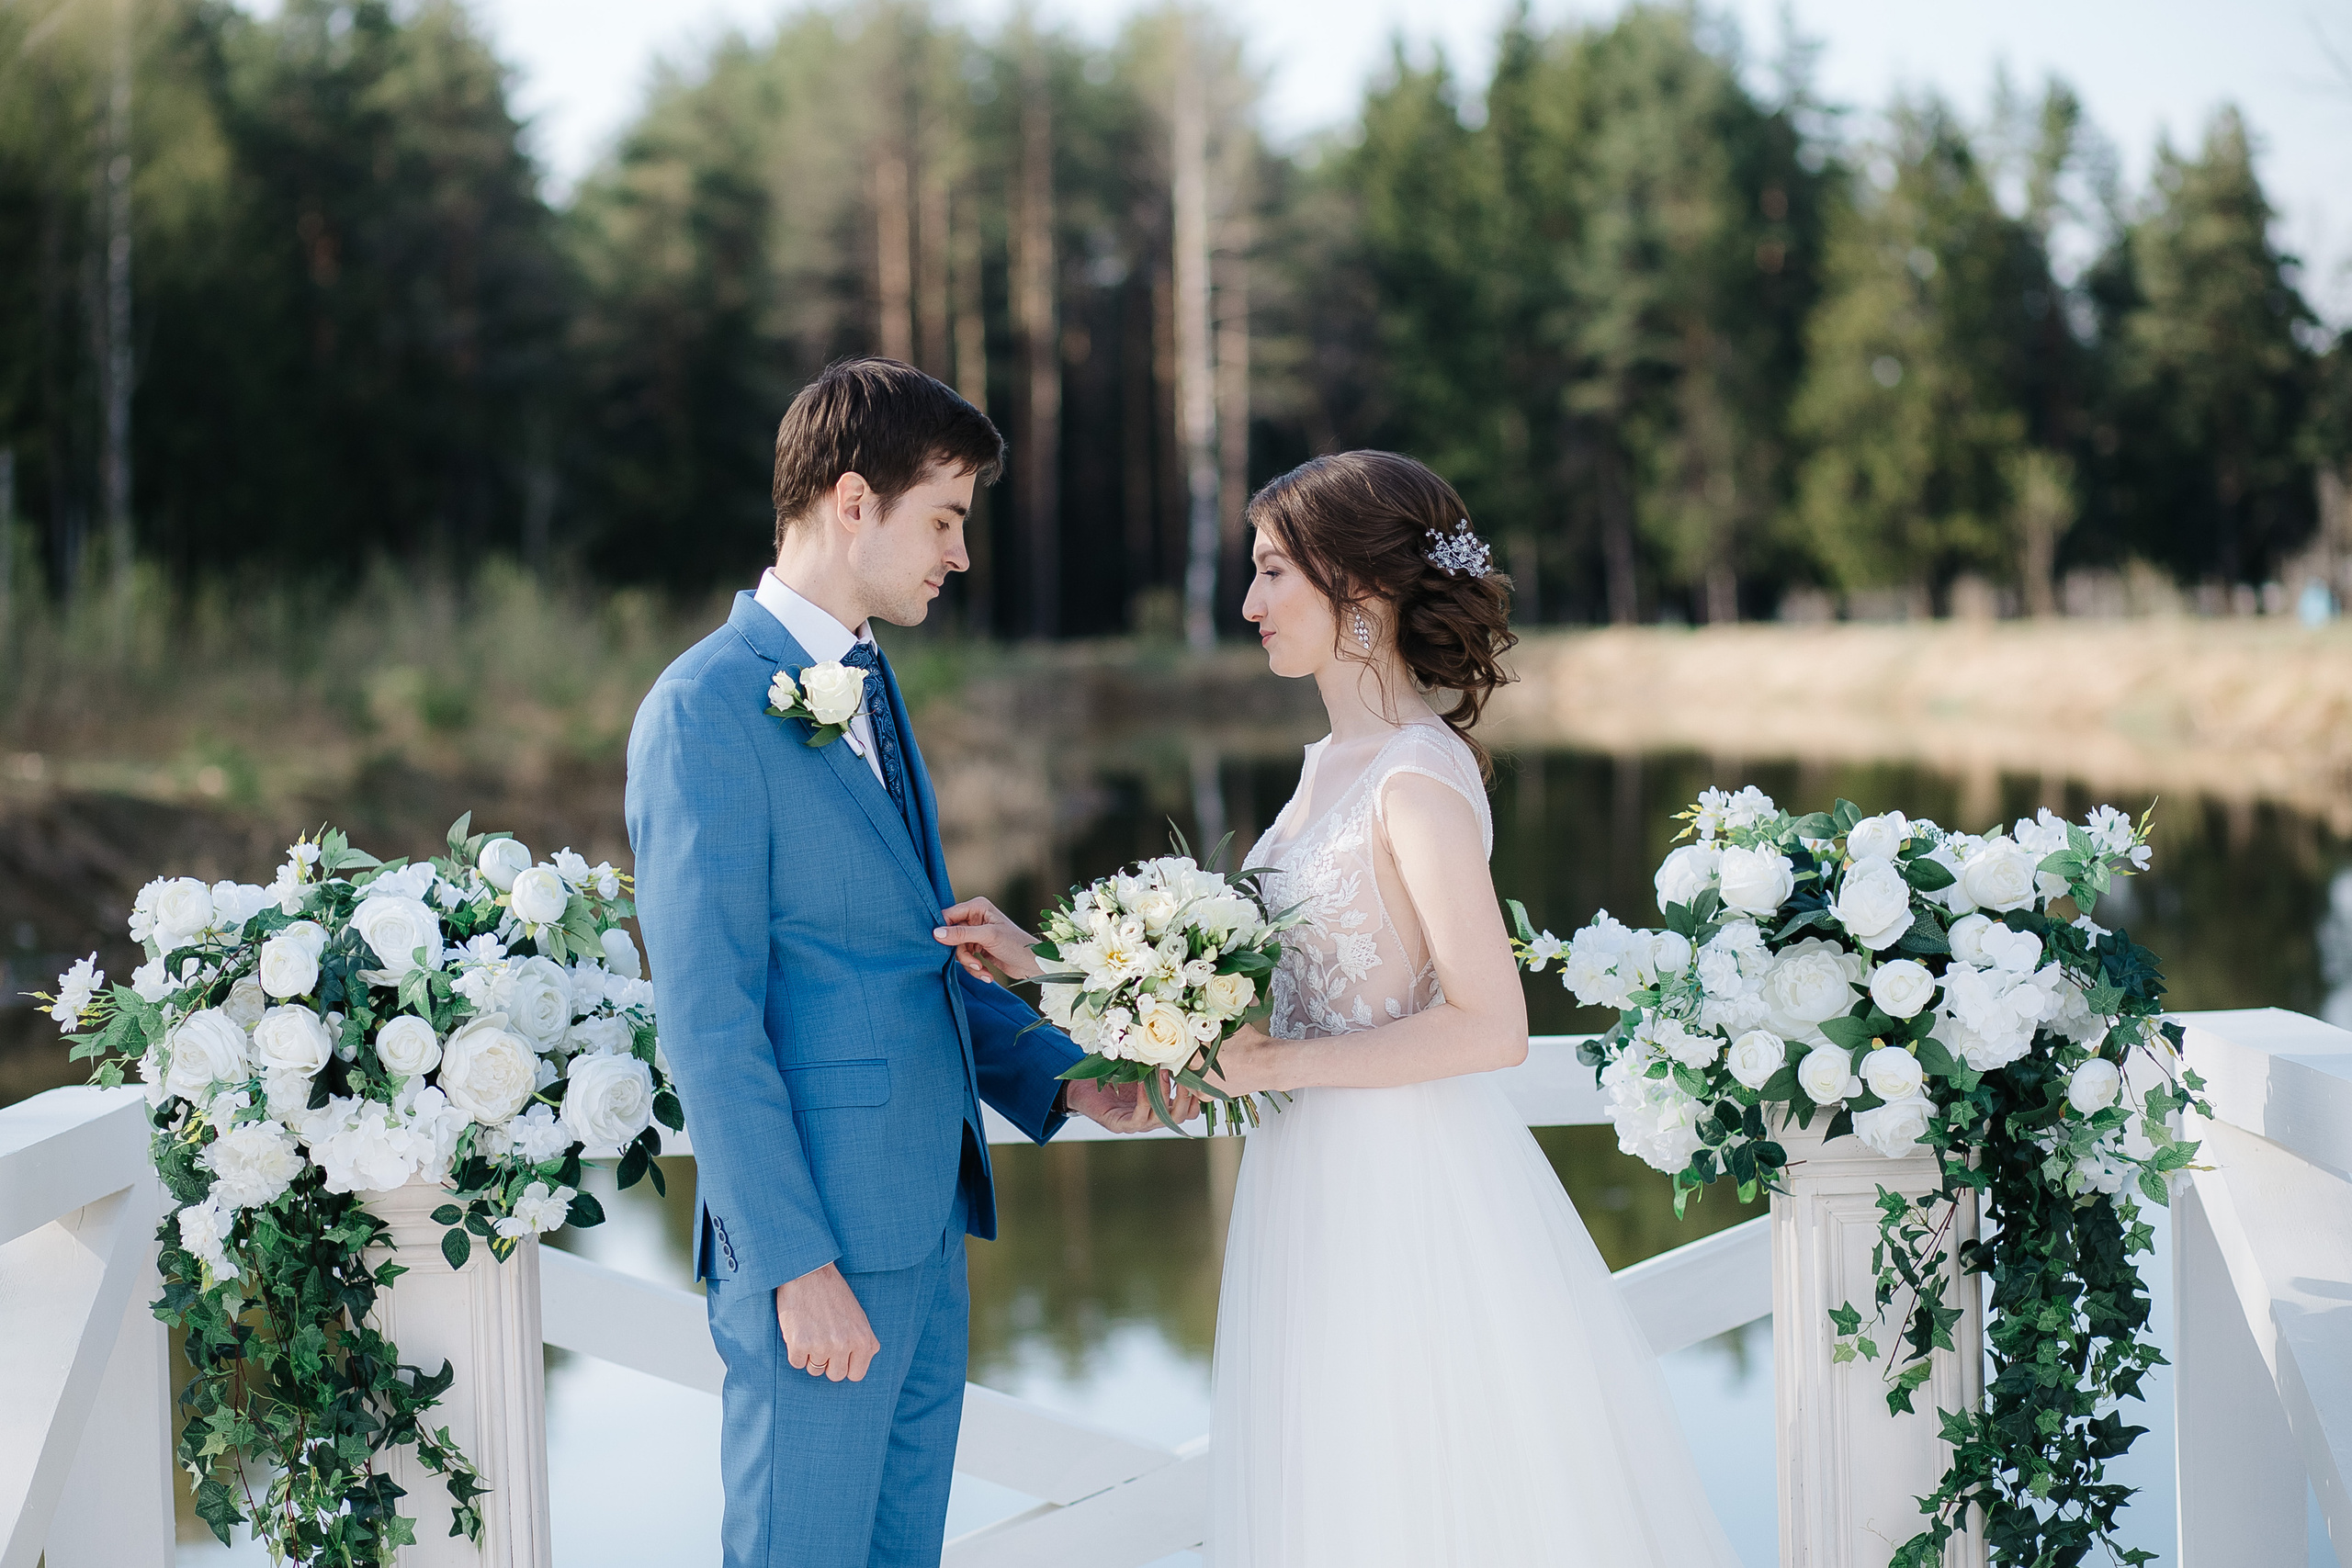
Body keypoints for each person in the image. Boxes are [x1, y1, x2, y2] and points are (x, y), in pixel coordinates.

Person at [940, 449, 1742, 1566]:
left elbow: (1490, 1025)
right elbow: (1267, 1002)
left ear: (1357, 590)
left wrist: (1261, 1070)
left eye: (1273, 572)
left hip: (1404, 1192)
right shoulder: (1328, 770)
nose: (1249, 603)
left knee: (1419, 1493)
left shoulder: (1413, 775)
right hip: (1308, 1182)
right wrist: (1047, 970)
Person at [625, 357, 1186, 1568]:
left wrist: (1062, 1076)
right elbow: (709, 1018)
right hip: (818, 1245)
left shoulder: (873, 684)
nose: (959, 553)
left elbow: (907, 958)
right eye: (945, 518)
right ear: (850, 501)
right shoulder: (701, 708)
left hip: (928, 1226)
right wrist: (793, 1261)